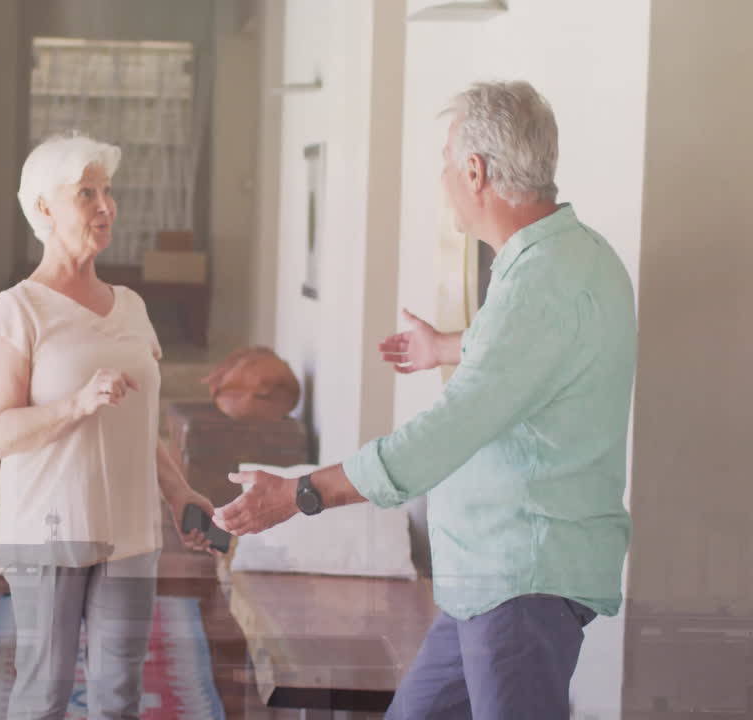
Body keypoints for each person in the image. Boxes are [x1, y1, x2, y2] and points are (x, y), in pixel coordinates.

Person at [213, 81, 637, 719]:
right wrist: (446, 346)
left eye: (445, 160)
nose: (442, 178)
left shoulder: (540, 284)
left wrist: (301, 494)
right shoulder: (576, 258)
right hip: (489, 580)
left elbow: (441, 437)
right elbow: (537, 357)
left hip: (519, 582)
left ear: (475, 172)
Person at [0, 132, 216, 719]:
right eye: (87, 193)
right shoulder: (16, 311)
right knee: (44, 694)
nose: (106, 206)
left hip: (130, 531)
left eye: (108, 191)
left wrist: (178, 491)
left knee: (118, 696)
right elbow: (1, 434)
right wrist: (77, 404)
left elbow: (140, 424)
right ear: (44, 208)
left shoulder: (131, 306)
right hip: (51, 529)